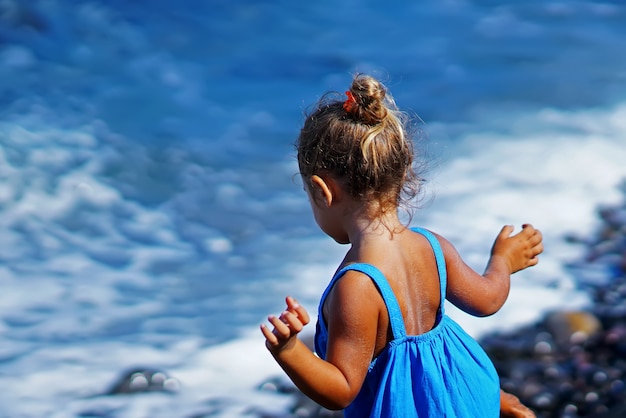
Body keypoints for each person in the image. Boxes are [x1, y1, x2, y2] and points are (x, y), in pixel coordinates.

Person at [260, 74, 543, 417]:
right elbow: (488, 300)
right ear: (401, 171)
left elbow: (340, 390)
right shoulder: (432, 246)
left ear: (323, 191)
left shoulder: (358, 287)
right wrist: (502, 261)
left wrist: (289, 350)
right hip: (467, 394)